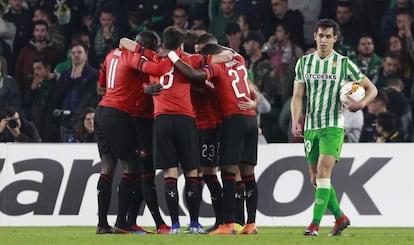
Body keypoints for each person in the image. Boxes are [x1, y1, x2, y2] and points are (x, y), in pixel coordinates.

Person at [290, 19, 378, 236]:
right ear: (315, 36)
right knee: (315, 179)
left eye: (328, 36)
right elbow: (297, 96)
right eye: (321, 35)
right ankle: (340, 217)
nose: (324, 40)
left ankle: (314, 224)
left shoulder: (344, 63)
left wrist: (361, 103)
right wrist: (295, 120)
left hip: (333, 125)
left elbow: (372, 89)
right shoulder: (303, 63)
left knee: (322, 172)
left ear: (335, 39)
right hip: (311, 125)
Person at [169, 43, 259, 235]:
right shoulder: (239, 60)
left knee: (228, 171)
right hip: (251, 117)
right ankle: (250, 224)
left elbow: (196, 75)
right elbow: (250, 87)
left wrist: (175, 56)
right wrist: (256, 101)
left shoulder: (216, 67)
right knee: (248, 173)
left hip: (233, 118)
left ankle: (227, 224)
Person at [95, 31, 171, 235]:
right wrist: (166, 55)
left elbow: (100, 86)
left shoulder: (112, 54)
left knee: (108, 166)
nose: (155, 51)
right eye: (154, 47)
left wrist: (135, 88)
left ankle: (102, 224)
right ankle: (122, 222)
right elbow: (159, 67)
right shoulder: (134, 57)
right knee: (132, 168)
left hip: (101, 111)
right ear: (146, 46)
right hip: (120, 114)